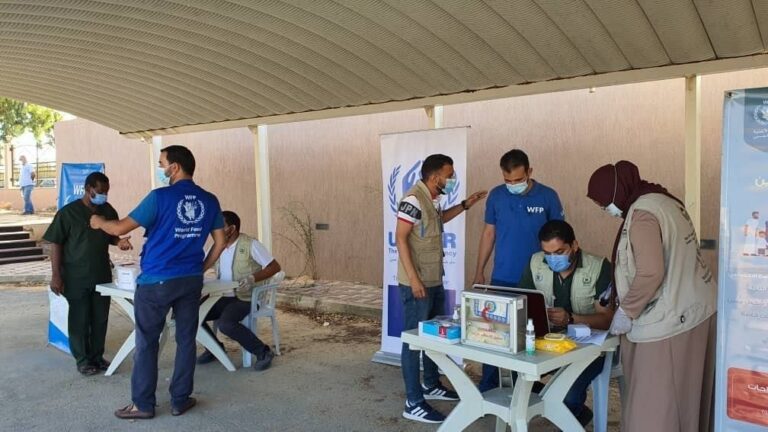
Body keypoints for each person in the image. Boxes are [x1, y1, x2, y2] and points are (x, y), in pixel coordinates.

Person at [90, 145, 227, 420]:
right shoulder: (210, 200)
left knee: (147, 342)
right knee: (186, 340)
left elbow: (119, 229)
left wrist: (98, 221)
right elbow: (221, 241)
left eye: (161, 163)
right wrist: (201, 268)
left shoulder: (159, 197)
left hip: (156, 282)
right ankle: (180, 399)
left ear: (174, 167)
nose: (160, 168)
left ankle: (142, 404)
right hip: (190, 280)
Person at [587, 161, 716, 432]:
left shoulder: (642, 214)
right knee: (687, 401)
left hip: (669, 323)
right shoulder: (664, 201)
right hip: (696, 311)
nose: (605, 210)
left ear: (616, 191)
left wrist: (626, 311)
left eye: (603, 204)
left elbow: (650, 272)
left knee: (653, 410)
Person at [396, 154, 487, 424]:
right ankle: (413, 401)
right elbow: (401, 239)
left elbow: (438, 222)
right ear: (436, 177)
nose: (452, 178)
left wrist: (464, 205)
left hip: (434, 279)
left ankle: (431, 383)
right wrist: (413, 279)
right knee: (413, 342)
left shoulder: (432, 199)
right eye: (450, 174)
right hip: (418, 283)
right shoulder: (412, 200)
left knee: (434, 338)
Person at [472, 149, 564, 392]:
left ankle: (527, 385)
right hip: (502, 277)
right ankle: (489, 385)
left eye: (518, 180)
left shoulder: (548, 197)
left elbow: (561, 236)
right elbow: (489, 233)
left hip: (538, 281)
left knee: (532, 336)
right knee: (494, 335)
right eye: (507, 180)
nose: (512, 185)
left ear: (529, 172)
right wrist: (479, 270)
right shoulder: (496, 196)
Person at [518, 220, 614, 426]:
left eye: (559, 251)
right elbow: (522, 304)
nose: (553, 258)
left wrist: (571, 318)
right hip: (549, 342)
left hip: (590, 349)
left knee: (568, 396)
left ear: (574, 245)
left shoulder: (599, 267)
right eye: (548, 253)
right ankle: (557, 404)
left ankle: (569, 411)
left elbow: (606, 320)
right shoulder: (536, 263)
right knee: (510, 374)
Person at [43, 172, 133, 376]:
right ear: (88, 189)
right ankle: (82, 360)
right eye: (100, 192)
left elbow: (111, 234)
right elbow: (55, 243)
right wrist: (56, 275)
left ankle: (97, 356)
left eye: (106, 192)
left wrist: (120, 242)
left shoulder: (108, 210)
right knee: (80, 318)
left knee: (100, 318)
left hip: (101, 273)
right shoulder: (68, 213)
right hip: (75, 275)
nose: (103, 196)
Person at [197, 210, 281, 371]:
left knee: (226, 324)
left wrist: (252, 279)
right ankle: (214, 348)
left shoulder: (251, 244)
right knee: (189, 316)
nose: (215, 230)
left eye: (220, 227)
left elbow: (275, 267)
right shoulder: (217, 247)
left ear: (232, 229)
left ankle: (263, 352)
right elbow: (202, 266)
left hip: (246, 297)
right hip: (221, 296)